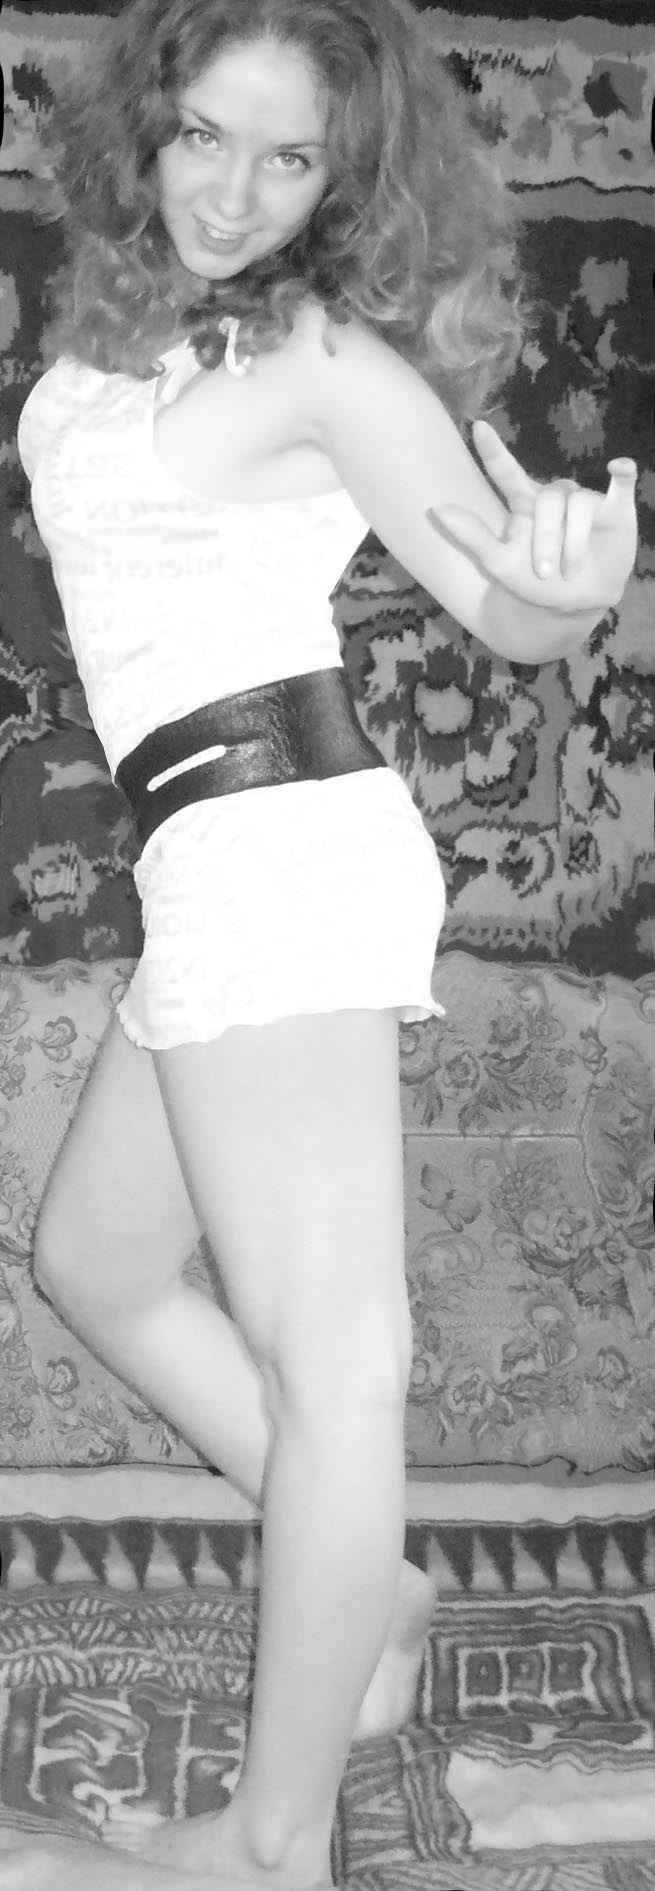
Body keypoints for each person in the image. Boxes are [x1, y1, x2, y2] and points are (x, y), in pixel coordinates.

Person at [9, 0, 637, 1885]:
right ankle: (385, 1589)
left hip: (282, 852)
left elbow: (500, 597)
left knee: (337, 1369)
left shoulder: (324, 358)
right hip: (209, 855)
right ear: (143, 126)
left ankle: (272, 1842)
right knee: (95, 1261)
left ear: (344, 180)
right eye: (206, 136)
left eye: (290, 159)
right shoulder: (124, 330)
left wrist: (568, 597)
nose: (235, 193)